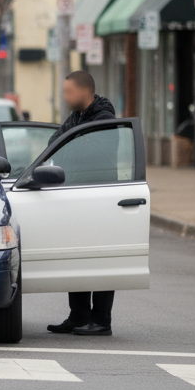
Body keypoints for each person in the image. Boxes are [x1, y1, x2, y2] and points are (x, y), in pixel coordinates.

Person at [46, 70, 117, 337]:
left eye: (68, 92)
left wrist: (70, 143)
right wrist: (72, 141)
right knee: (75, 256)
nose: (65, 97)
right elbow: (54, 143)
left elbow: (89, 152)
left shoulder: (104, 118)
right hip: (75, 196)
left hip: (99, 198)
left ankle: (101, 320)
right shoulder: (77, 116)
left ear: (84, 91)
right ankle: (78, 316)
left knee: (99, 259)